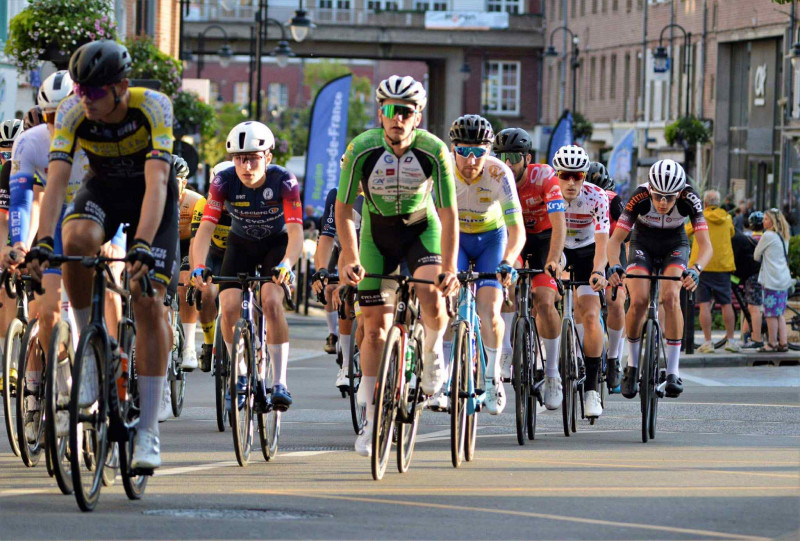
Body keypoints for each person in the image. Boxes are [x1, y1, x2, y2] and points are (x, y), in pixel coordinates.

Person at [27, 40, 178, 470]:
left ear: (121, 87)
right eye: (80, 90)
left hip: (151, 199)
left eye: (94, 92)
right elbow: (57, 182)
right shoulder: (73, 112)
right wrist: (42, 240)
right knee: (74, 239)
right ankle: (90, 356)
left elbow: (158, 183)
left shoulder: (153, 107)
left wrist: (142, 243)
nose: (85, 100)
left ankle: (147, 431)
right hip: (104, 191)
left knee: (146, 300)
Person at [336, 75, 458, 457]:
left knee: (430, 293)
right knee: (374, 330)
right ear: (380, 113)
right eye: (390, 110)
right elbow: (343, 209)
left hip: (422, 229)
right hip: (377, 234)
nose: (398, 118)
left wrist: (450, 267)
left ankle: (432, 352)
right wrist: (350, 255)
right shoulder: (361, 148)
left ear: (417, 116)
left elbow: (448, 213)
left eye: (406, 111)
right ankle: (372, 420)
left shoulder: (434, 151)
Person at [191, 121, 302, 414]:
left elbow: (296, 232)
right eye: (239, 158)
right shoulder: (223, 181)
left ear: (268, 157)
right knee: (228, 306)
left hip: (276, 245)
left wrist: (287, 264)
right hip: (240, 244)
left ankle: (279, 382)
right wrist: (198, 265)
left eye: (253, 158)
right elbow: (205, 230)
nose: (246, 165)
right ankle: (240, 373)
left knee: (271, 300)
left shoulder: (284, 181)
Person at [608, 159, 712, 399]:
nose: (663, 203)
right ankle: (632, 366)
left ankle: (673, 372)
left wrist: (696, 269)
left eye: (670, 198)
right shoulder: (640, 196)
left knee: (671, 297)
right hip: (642, 243)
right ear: (651, 191)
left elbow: (706, 245)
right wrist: (615, 265)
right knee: (638, 300)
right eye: (658, 197)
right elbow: (615, 241)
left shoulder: (690, 198)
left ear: (679, 194)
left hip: (674, 245)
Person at [447, 115, 524, 415]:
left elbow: (516, 229)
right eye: (463, 151)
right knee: (446, 302)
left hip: (491, 239)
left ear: (489, 151)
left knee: (490, 310)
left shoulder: (498, 173)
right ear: (452, 149)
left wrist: (508, 261)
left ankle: (493, 377)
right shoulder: (443, 170)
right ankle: (444, 374)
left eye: (478, 152)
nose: (471, 160)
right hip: (456, 238)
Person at [492, 128, 566, 391]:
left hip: (545, 238)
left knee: (545, 301)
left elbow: (560, 224)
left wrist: (554, 259)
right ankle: (506, 350)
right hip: (515, 238)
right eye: (501, 157)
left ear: (527, 158)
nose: (507, 164)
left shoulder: (544, 176)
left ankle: (553, 373)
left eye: (513, 157)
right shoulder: (494, 178)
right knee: (507, 281)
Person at [553, 146, 609, 418]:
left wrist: (598, 271)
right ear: (557, 175)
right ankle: (545, 368)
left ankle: (591, 389)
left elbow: (602, 243)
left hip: (587, 252)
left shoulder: (597, 197)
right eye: (565, 175)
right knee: (544, 299)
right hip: (559, 250)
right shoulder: (549, 194)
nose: (571, 182)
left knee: (590, 314)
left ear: (585, 176)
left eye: (577, 176)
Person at [311, 186, 364, 390]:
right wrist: (321, 271)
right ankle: (346, 365)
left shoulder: (376, 191)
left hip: (369, 247)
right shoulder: (337, 194)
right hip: (343, 248)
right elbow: (326, 237)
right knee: (339, 292)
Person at [587, 161, 625, 390]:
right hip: (586, 252)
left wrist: (623, 269)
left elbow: (626, 238)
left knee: (616, 302)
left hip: (612, 251)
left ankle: (614, 359)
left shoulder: (614, 201)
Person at [688, 190, 739, 353]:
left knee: (704, 304)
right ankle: (731, 340)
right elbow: (732, 233)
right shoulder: (727, 217)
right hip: (722, 266)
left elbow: (686, 231)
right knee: (726, 303)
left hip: (702, 264)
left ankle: (708, 342)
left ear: (704, 203)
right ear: (718, 203)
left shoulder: (699, 217)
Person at [0, 118, 23, 394]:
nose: (7, 156)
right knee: (6, 295)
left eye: (11, 149)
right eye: (3, 150)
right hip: (6, 233)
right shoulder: (5, 171)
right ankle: (9, 365)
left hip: (28, 233)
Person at [754, 209, 795, 352]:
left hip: (771, 281)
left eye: (766, 219)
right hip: (783, 279)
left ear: (772, 221)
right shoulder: (784, 236)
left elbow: (756, 255)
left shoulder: (768, 235)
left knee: (770, 314)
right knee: (780, 314)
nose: (763, 221)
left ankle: (772, 343)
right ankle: (783, 343)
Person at [732, 211, 764, 349]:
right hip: (760, 274)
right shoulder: (764, 237)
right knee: (750, 306)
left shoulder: (746, 237)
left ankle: (756, 338)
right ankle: (747, 337)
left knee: (752, 307)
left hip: (754, 275)